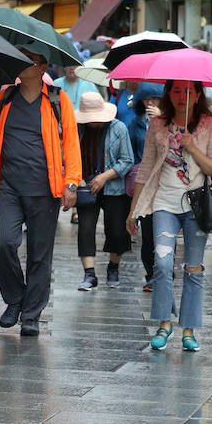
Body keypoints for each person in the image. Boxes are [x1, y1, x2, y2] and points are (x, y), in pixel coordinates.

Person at [0, 43, 82, 337]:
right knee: (4, 243)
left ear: (42, 67)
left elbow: (71, 143)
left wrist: (71, 182)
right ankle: (15, 299)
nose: (21, 63)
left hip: (45, 189)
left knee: (39, 254)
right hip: (8, 186)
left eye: (28, 59)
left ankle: (31, 315)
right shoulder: (5, 97)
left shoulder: (57, 100)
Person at [125, 80, 212, 352]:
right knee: (162, 264)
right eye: (177, 90)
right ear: (169, 93)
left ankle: (189, 330)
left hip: (197, 206)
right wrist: (134, 210)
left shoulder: (210, 125)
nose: (182, 96)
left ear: (198, 94)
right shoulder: (158, 125)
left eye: (188, 91)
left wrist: (192, 148)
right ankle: (164, 323)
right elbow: (145, 168)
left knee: (193, 268)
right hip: (164, 203)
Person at [74, 92, 134, 290]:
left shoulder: (119, 128)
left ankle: (113, 267)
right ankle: (89, 274)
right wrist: (76, 177)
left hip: (114, 187)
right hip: (86, 187)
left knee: (117, 231)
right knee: (85, 229)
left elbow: (127, 160)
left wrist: (105, 176)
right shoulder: (76, 128)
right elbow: (68, 156)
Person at [127, 82, 164, 292]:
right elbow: (131, 153)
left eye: (155, 98)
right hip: (144, 182)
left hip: (166, 182)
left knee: (164, 230)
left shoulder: (170, 122)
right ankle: (151, 274)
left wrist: (160, 120)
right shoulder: (136, 123)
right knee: (147, 231)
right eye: (146, 99)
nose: (150, 103)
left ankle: (164, 272)